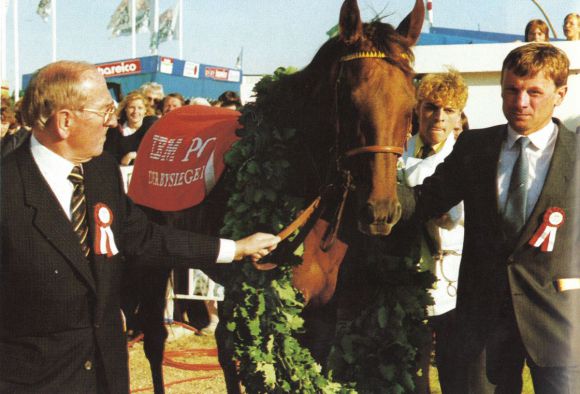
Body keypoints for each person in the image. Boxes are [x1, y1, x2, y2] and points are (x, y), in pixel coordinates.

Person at [0, 60, 280, 393]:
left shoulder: (101, 171)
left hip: (107, 377)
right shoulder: (7, 190)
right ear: (65, 121)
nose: (112, 121)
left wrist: (235, 248)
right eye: (104, 112)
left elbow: (146, 238)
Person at [409, 43, 578, 393]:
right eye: (511, 90)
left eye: (534, 92)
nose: (520, 103)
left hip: (559, 322)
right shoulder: (475, 147)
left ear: (560, 94)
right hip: (482, 325)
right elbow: (423, 201)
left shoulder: (576, 155)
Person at [401, 70, 492, 394]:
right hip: (407, 283)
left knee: (459, 376)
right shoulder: (396, 157)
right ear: (418, 109)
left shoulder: (474, 158)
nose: (438, 117)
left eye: (448, 110)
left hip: (457, 284)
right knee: (412, 377)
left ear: (459, 117)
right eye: (430, 107)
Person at [104, 91, 157, 165]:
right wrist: (123, 159)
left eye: (140, 108)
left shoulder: (152, 127)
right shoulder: (115, 130)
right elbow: (108, 156)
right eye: (131, 107)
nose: (135, 111)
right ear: (125, 109)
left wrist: (135, 155)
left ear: (145, 110)